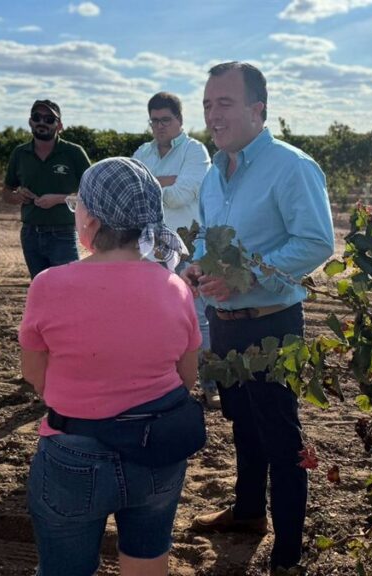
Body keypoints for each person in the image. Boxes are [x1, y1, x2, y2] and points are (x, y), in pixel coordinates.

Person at [184, 62, 335, 572]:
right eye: (207, 104)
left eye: (224, 103)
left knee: (281, 437)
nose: (212, 113)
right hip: (226, 323)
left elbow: (315, 242)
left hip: (271, 323)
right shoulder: (212, 174)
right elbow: (207, 236)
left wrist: (246, 277)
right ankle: (249, 514)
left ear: (257, 109)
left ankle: (288, 554)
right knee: (242, 425)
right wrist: (197, 265)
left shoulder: (291, 166)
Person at [19, 157, 201, 576]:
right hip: (157, 450)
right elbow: (186, 378)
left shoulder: (48, 284)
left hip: (73, 454)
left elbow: (35, 375)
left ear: (93, 221)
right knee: (148, 563)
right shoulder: (174, 287)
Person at [131, 91, 219, 409]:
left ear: (180, 120)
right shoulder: (143, 151)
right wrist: (163, 181)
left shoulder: (196, 152)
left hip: (188, 246)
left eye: (165, 120)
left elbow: (182, 194)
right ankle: (160, 383)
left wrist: (149, 182)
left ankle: (210, 385)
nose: (159, 126)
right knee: (151, 315)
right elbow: (133, 193)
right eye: (154, 121)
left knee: (197, 317)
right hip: (149, 247)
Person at [2, 99, 91, 279]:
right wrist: (18, 196)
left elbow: (93, 192)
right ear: (30, 122)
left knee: (69, 287)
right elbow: (6, 192)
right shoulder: (20, 153)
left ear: (59, 126)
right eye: (37, 117)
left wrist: (59, 198)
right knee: (40, 288)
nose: (42, 122)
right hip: (30, 234)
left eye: (49, 119)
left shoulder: (73, 153)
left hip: (63, 234)